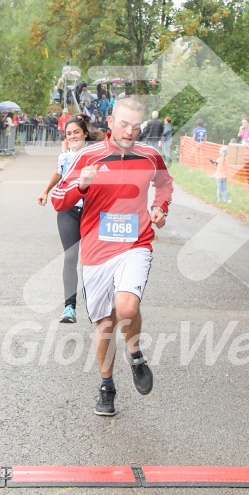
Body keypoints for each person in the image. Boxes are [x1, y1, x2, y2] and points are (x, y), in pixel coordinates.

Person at [51, 98, 173, 416]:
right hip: (96, 250)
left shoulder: (150, 156)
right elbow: (59, 200)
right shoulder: (88, 157)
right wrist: (81, 184)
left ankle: (134, 354)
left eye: (136, 126)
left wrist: (160, 207)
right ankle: (107, 386)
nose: (130, 131)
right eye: (124, 124)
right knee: (105, 324)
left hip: (136, 244)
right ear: (110, 121)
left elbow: (165, 184)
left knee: (127, 306)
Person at [37, 115, 103, 323]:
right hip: (68, 211)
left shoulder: (97, 155)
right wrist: (46, 190)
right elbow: (59, 174)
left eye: (76, 132)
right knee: (70, 256)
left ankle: (98, 306)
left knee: (95, 260)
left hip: (92, 212)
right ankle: (69, 308)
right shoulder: (64, 157)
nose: (73, 136)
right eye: (69, 133)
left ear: (85, 133)